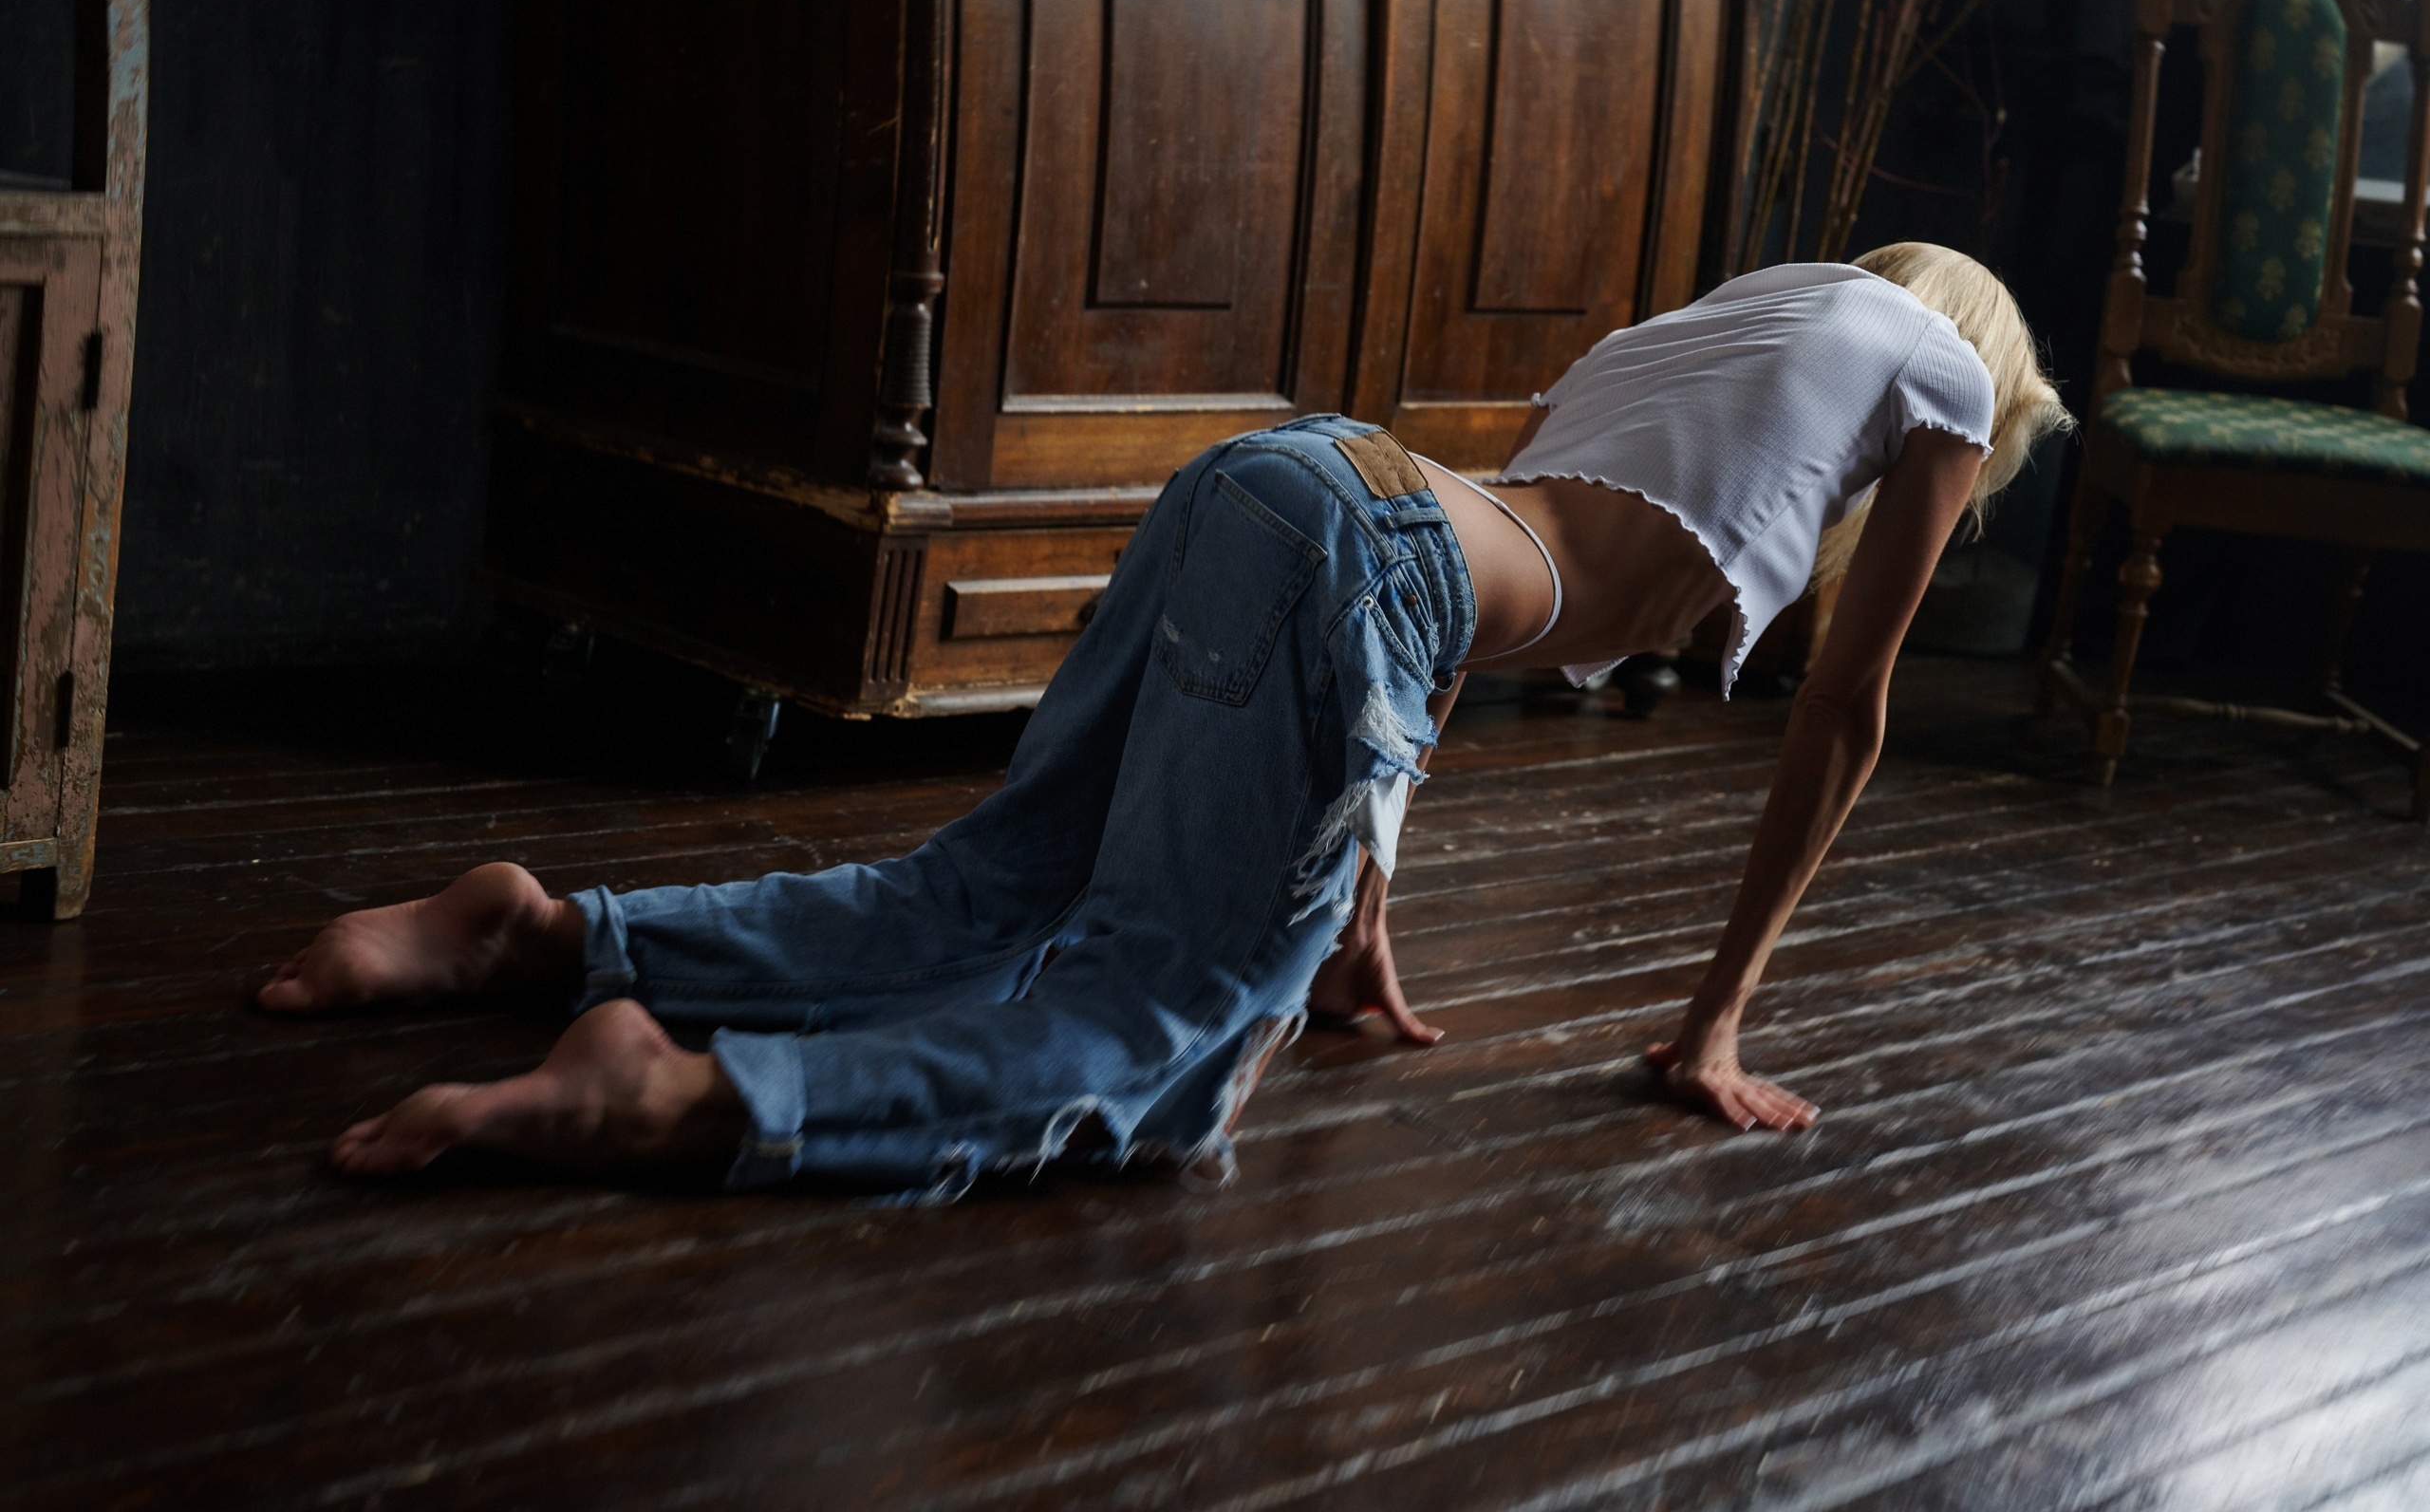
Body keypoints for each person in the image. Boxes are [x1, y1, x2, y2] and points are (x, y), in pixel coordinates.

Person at [261, 243, 2071, 1198]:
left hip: (1279, 476)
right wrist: (1716, 1022)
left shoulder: (1719, 328)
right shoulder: (1935, 383)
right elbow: (1846, 709)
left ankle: (550, 937)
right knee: (1172, 1035)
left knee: (983, 889)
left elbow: (1446, 609)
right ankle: (687, 1094)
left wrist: (1356, 907)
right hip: (1365, 554)